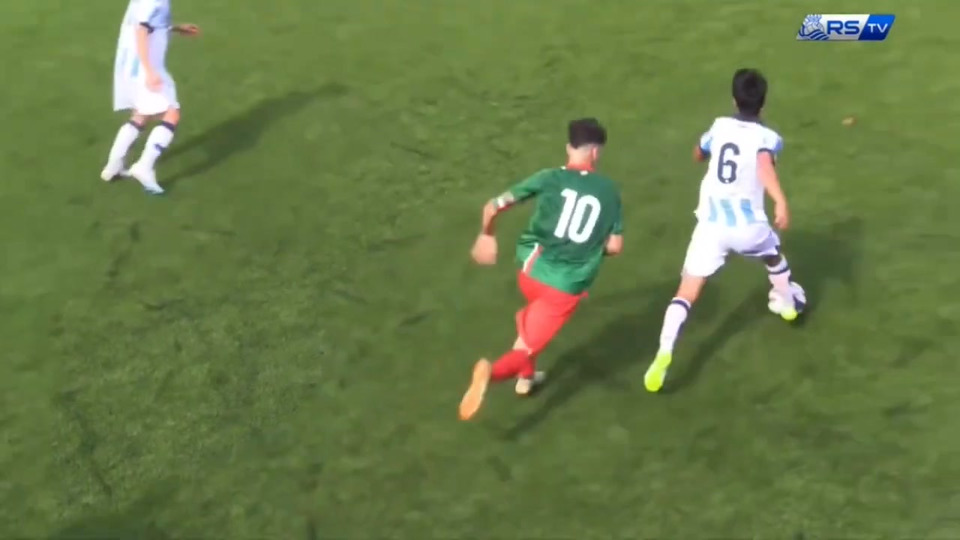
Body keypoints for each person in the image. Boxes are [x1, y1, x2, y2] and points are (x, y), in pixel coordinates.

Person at [643, 68, 803, 393]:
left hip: (711, 226)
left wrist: (703, 154)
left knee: (686, 292)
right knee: (773, 256)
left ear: (734, 100)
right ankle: (787, 303)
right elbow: (764, 164)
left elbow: (698, 153)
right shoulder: (768, 138)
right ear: (763, 103)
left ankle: (664, 351)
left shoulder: (718, 127)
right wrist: (780, 200)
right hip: (748, 228)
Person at [459, 118, 624, 421]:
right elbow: (615, 246)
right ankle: (490, 374)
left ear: (569, 148)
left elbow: (493, 206)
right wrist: (594, 247)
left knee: (532, 324)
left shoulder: (548, 177)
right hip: (563, 287)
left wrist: (487, 235)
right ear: (595, 152)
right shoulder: (609, 192)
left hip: (530, 271)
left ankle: (526, 379)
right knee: (524, 347)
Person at [101, 0, 200, 195]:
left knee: (141, 115)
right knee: (172, 114)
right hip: (145, 69)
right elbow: (140, 30)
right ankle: (144, 167)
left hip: (130, 67)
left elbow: (150, 24)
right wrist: (149, 71)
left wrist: (175, 28)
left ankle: (113, 167)